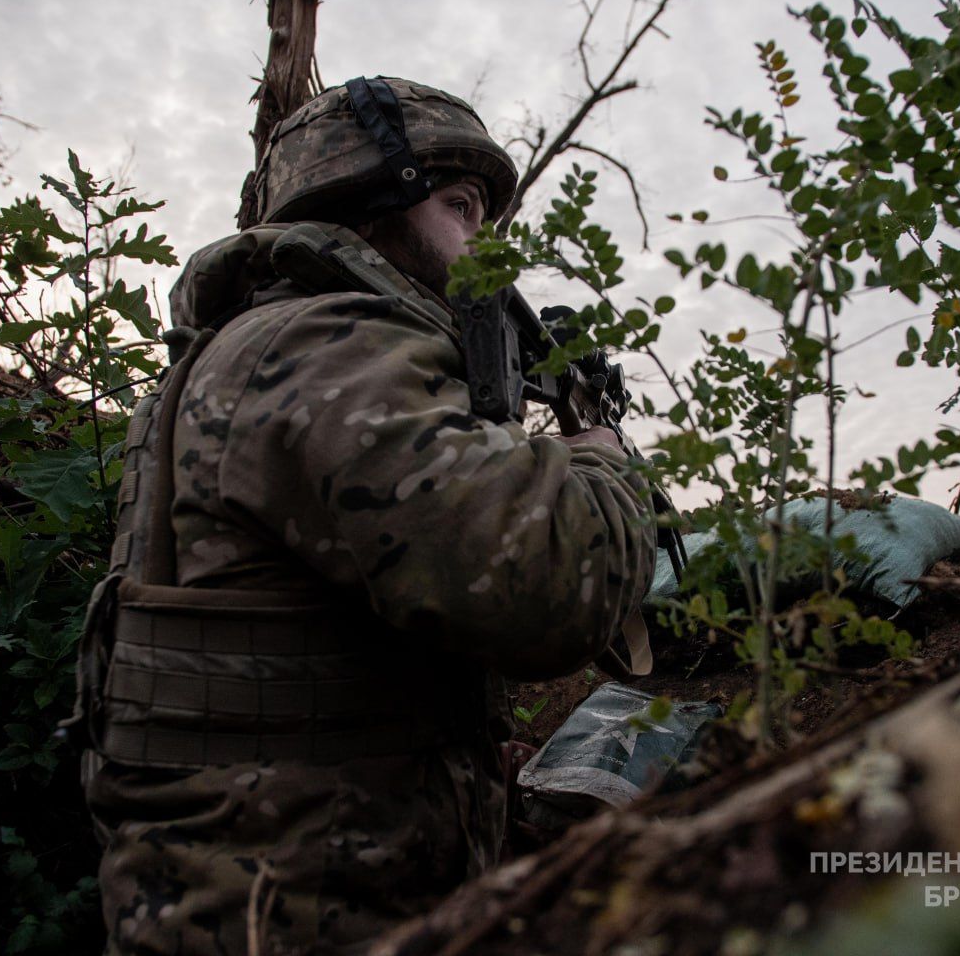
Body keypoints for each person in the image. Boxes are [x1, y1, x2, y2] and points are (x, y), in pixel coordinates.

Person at [66, 76, 657, 955]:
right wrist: (602, 451)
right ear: (370, 200)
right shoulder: (325, 348)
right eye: (462, 208)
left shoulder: (272, 346)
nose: (486, 250)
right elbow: (549, 589)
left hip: (277, 886)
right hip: (301, 911)